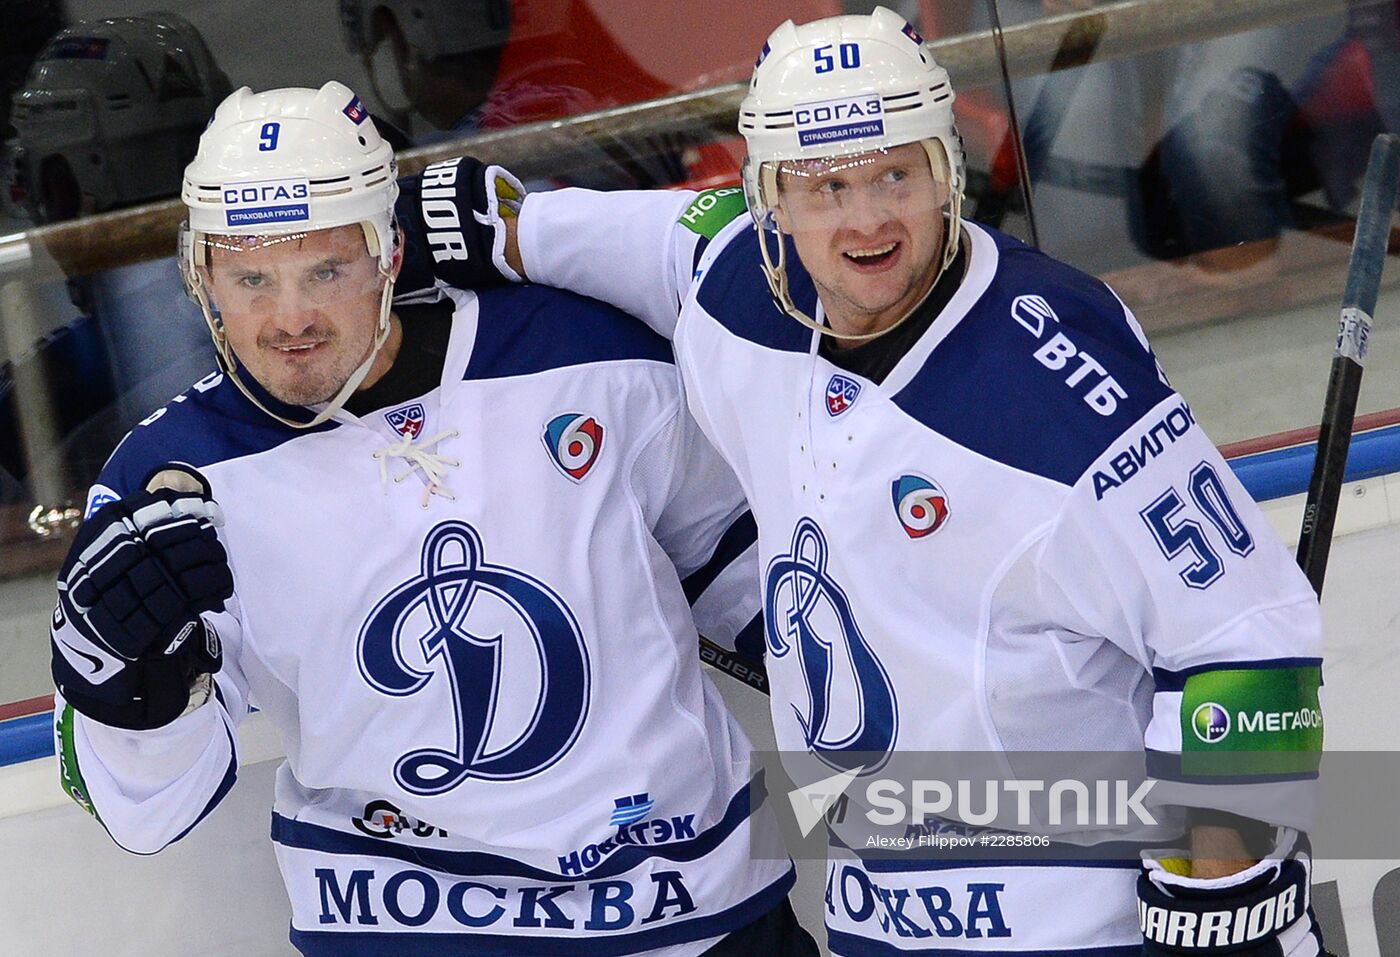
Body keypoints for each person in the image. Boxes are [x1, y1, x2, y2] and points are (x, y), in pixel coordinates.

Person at [393, 8, 1330, 955]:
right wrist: (478, 225)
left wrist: (1222, 874)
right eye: (825, 185)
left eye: (895, 174)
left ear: (947, 171)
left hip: (1081, 920)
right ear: (771, 201)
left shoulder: (1061, 396)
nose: (866, 218)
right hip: (877, 914)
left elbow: (1249, 641)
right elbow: (636, 237)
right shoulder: (734, 289)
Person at [48, 80, 818, 957]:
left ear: (391, 251)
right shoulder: (172, 485)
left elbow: (747, 578)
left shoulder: (580, 353)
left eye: (326, 270)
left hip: (694, 916)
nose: (289, 318)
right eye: (251, 277)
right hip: (407, 932)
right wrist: (123, 688)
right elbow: (145, 811)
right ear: (204, 279)